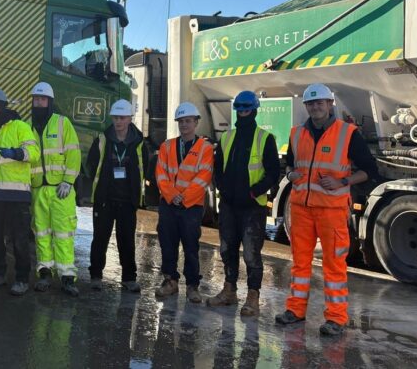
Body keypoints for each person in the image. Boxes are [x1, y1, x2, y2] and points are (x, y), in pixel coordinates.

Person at [275, 83, 378, 336]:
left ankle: (336, 318)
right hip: (301, 209)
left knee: (334, 266)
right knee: (299, 263)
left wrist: (342, 182)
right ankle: (295, 311)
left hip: (331, 211)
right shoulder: (297, 133)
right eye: (310, 103)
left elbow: (369, 170)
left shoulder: (348, 133)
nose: (315, 107)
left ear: (330, 104)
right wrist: (291, 174)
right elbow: (288, 165)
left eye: (320, 102)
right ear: (306, 107)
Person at [206, 90, 280, 316]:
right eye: (240, 109)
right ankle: (229, 291)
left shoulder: (264, 138)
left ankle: (253, 297)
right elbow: (217, 168)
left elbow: (273, 173)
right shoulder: (227, 137)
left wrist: (253, 192)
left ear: (254, 110)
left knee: (251, 254)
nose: (243, 113)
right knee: (227, 250)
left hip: (252, 207)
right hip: (228, 205)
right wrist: (222, 188)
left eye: (247, 109)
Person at [153, 102, 214, 303]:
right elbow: (160, 173)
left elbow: (203, 176)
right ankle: (170, 280)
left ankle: (192, 286)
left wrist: (184, 197)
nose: (184, 125)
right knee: (168, 244)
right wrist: (172, 195)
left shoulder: (204, 148)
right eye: (181, 121)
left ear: (196, 122)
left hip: (191, 206)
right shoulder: (167, 146)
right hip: (169, 204)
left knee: (190, 246)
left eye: (188, 121)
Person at [0, 87, 39, 296]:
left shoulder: (20, 126)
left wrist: (16, 153)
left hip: (16, 195)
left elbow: (34, 152)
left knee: (19, 239)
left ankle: (22, 278)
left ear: (3, 107)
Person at [86, 99, 148, 293]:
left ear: (130, 119)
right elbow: (91, 164)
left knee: (127, 241)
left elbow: (145, 167)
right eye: (115, 118)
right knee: (100, 238)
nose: (118, 121)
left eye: (122, 118)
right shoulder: (102, 140)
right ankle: (96, 276)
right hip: (105, 200)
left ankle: (129, 278)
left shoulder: (139, 143)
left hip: (128, 201)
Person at [28, 82, 81, 297]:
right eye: (36, 99)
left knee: (63, 234)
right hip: (38, 189)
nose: (39, 103)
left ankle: (67, 277)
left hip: (61, 190)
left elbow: (74, 153)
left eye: (42, 99)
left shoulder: (62, 123)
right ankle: (45, 273)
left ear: (50, 102)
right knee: (40, 233)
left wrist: (68, 180)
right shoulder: (27, 126)